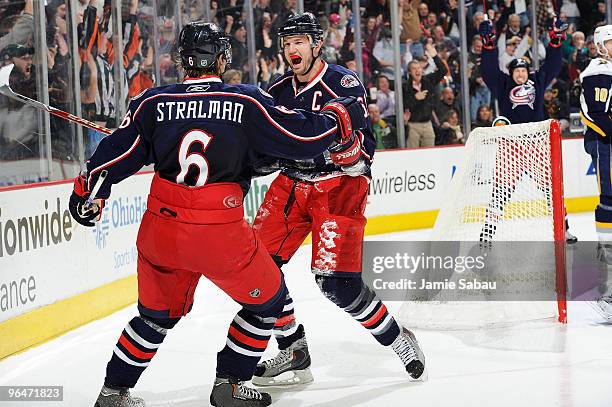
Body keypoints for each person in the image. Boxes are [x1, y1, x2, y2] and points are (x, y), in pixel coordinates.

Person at [71, 22, 366, 407]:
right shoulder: (245, 101)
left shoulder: (152, 102)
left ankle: (113, 392)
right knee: (270, 303)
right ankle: (229, 384)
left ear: (182, 61)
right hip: (218, 231)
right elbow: (301, 140)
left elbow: (114, 155)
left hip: (160, 230)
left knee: (154, 317)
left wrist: (88, 195)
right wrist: (337, 118)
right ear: (222, 58)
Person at [251, 12, 426, 387]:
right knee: (256, 269)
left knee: (337, 285)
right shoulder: (277, 90)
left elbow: (358, 145)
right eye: (286, 43)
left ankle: (399, 339)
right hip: (292, 185)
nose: (291, 50)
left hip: (339, 189)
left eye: (298, 42)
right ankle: (294, 350)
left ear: (316, 45)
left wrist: (344, 148)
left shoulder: (342, 82)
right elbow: (260, 145)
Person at [478, 16, 578, 244]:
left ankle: (564, 229)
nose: (521, 74)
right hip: (511, 145)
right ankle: (487, 233)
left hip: (537, 143)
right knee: (500, 192)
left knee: (551, 189)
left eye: (524, 70)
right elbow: (488, 72)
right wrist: (488, 46)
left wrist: (555, 42)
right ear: (511, 74)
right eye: (517, 71)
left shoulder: (536, 81)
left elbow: (552, 66)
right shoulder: (503, 85)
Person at [580, 24, 612, 321]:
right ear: (601, 45)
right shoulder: (599, 70)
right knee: (609, 202)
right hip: (606, 144)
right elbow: (594, 113)